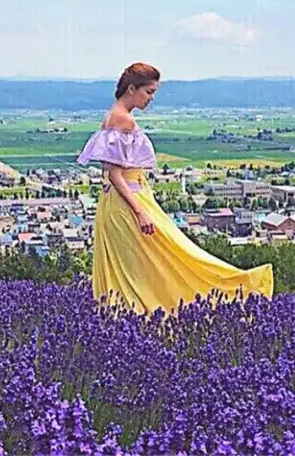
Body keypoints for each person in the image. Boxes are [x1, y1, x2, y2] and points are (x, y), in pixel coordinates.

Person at [77, 62, 274, 315]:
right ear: (132, 88)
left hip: (120, 201)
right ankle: (218, 295)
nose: (151, 99)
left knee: (153, 259)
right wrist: (140, 212)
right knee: (166, 256)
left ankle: (136, 317)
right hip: (127, 203)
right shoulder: (121, 119)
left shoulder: (115, 114)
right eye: (149, 92)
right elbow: (114, 174)